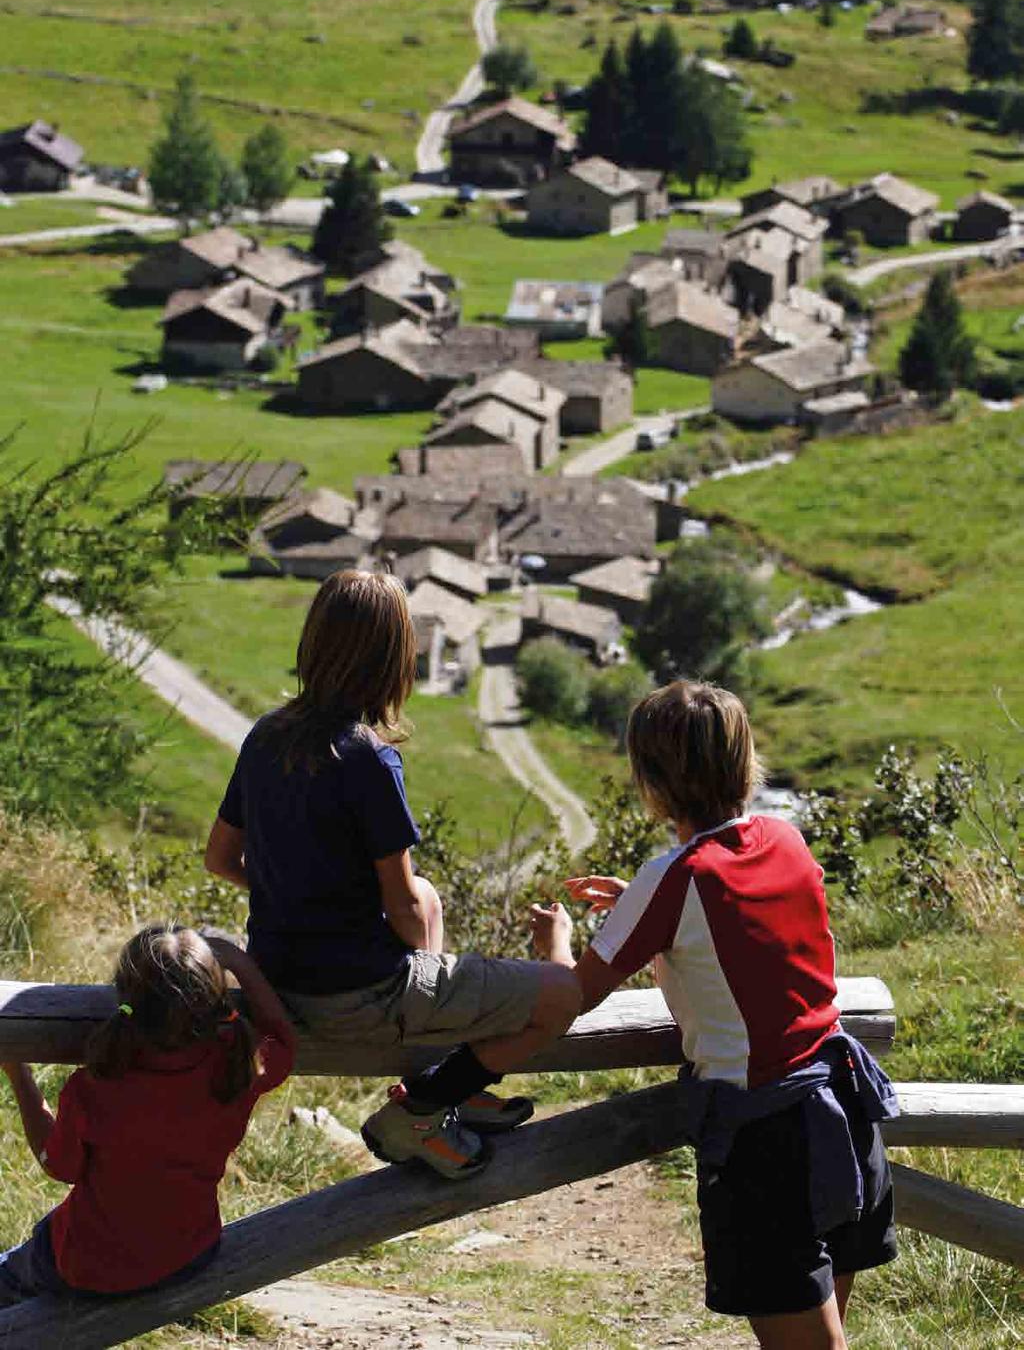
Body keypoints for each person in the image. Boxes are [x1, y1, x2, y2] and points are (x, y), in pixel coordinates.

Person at [528, 680, 897, 1350]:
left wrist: (556, 945)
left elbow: (570, 995)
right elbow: (742, 930)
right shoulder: (785, 839)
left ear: (654, 782)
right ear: (745, 758)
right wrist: (644, 902)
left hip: (766, 1139)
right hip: (842, 1109)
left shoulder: (673, 877)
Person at [204, 568, 580, 1181]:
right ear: (390, 660)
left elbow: (219, 860)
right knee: (564, 995)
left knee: (431, 898)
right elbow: (399, 908)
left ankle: (440, 1082)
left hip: (280, 980)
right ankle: (425, 1107)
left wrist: (290, 893)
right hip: (354, 998)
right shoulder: (369, 760)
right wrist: (417, 970)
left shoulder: (265, 736)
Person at [0, 924, 293, 1308]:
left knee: (14, 1270)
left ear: (124, 997)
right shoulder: (235, 1067)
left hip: (92, 1267)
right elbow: (282, 1037)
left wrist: (18, 1075)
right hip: (191, 1254)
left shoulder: (95, 1088)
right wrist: (239, 961)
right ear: (215, 1001)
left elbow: (59, 1166)